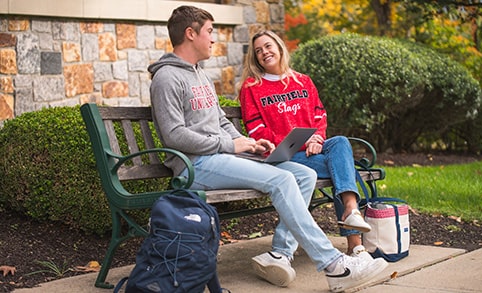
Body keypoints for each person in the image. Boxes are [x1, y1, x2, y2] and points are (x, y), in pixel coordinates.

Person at [149, 6, 387, 292]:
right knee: (282, 178)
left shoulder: (201, 75)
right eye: (210, 32)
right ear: (190, 34)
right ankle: (334, 265)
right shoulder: (166, 78)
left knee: (303, 175)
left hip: (221, 157)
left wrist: (248, 144)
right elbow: (174, 135)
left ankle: (280, 252)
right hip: (195, 165)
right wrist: (230, 144)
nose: (213, 39)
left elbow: (222, 122)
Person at [238, 30, 378, 262]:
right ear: (255, 58)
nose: (264, 52)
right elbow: (256, 130)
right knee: (341, 168)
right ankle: (355, 243)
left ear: (280, 47)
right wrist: (290, 143)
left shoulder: (302, 80)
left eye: (268, 46)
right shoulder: (252, 87)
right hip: (284, 157)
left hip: (313, 151)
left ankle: (351, 210)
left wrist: (317, 138)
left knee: (340, 142)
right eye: (258, 51)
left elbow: (318, 115)